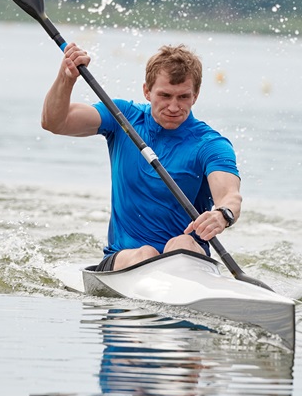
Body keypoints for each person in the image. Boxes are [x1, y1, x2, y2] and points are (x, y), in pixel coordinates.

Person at [41, 43, 242, 272]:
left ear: (195, 96)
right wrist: (66, 78)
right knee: (146, 253)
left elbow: (230, 195)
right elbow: (55, 122)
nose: (174, 106)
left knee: (181, 243)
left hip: (187, 261)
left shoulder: (210, 144)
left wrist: (222, 214)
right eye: (165, 95)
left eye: (183, 97)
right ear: (147, 91)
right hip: (125, 260)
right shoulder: (123, 117)